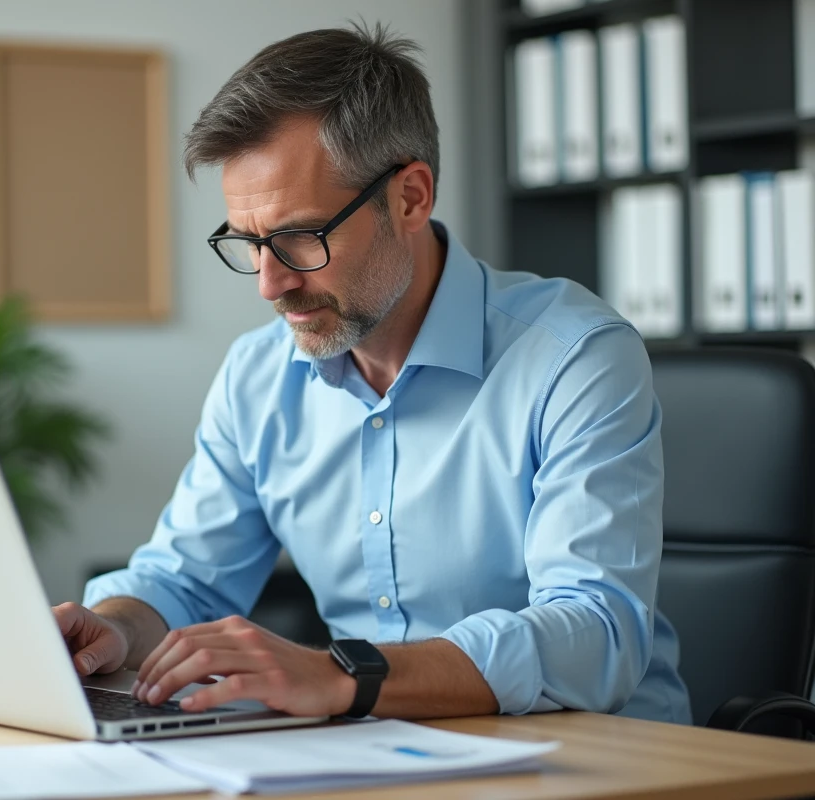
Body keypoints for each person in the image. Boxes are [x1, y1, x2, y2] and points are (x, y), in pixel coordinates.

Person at [53, 22, 691, 725]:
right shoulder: (258, 377)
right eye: (249, 244)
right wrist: (112, 627)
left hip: (601, 764)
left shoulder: (575, 358)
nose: (269, 284)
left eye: (300, 237)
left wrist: (344, 675)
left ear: (411, 197)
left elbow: (596, 637)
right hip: (374, 756)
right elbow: (183, 578)